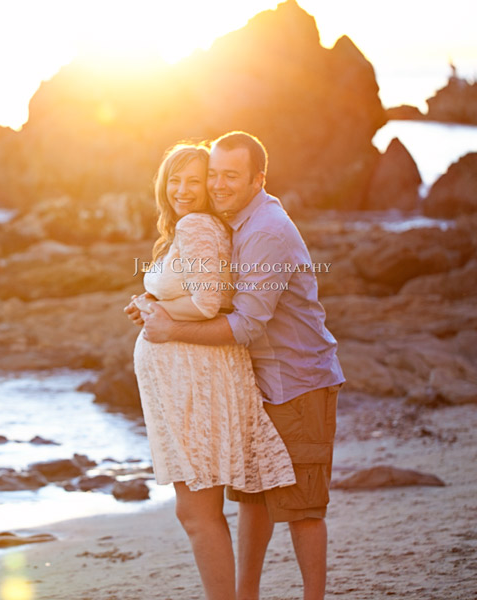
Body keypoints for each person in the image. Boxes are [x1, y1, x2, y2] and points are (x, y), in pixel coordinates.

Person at [127, 131, 345, 600]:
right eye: (215, 175)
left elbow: (238, 318)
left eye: (230, 176)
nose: (217, 185)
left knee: (302, 505)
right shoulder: (232, 222)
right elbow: (216, 293)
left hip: (295, 381)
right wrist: (154, 301)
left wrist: (167, 324)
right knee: (254, 498)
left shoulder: (263, 229)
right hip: (255, 380)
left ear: (257, 179)